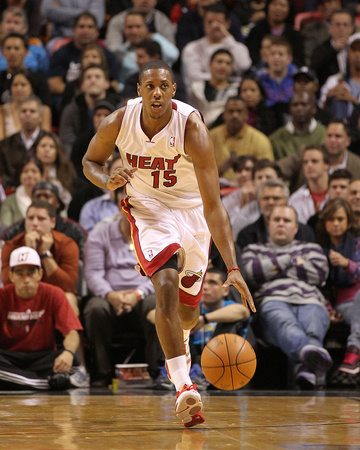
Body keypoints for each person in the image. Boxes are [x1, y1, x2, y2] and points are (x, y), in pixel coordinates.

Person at [82, 60, 255, 427]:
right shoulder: (118, 121)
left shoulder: (193, 128)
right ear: (139, 90)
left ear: (173, 90)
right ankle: (182, 385)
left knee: (188, 311)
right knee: (164, 284)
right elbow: (89, 162)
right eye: (150, 86)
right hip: (148, 208)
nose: (156, 92)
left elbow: (214, 205)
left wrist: (233, 266)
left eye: (163, 85)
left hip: (193, 212)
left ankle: (182, 339)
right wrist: (107, 178)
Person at [242, 205, 332, 389]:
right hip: (272, 301)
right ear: (269, 224)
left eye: (287, 220)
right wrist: (291, 260)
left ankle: (306, 370)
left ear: (296, 227)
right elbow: (252, 274)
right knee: (286, 322)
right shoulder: (253, 249)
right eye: (277, 220)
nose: (281, 224)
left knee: (313, 326)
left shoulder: (311, 248)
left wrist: (273, 269)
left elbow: (319, 274)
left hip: (310, 300)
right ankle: (307, 364)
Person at [83, 187, 162, 387]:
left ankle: (159, 372)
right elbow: (93, 273)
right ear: (120, 205)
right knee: (95, 308)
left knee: (157, 304)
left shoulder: (154, 235)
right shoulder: (100, 233)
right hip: (109, 296)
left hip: (143, 295)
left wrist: (138, 293)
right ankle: (101, 374)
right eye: (126, 201)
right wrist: (110, 295)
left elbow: (159, 273)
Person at [0, 246, 83, 390]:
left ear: (40, 273)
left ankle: (14, 382)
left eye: (31, 272)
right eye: (20, 273)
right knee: (67, 376)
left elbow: (72, 332)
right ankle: (44, 383)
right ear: (11, 275)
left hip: (43, 357)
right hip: (10, 357)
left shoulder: (54, 293)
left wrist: (68, 353)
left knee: (73, 360)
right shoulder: (2, 296)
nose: (26, 279)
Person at [1, 200, 80, 316]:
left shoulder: (66, 244)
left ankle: (71, 334)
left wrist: (45, 254)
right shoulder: (12, 245)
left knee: (69, 298)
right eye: (30, 218)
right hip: (21, 294)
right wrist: (28, 252)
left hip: (54, 296)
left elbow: (67, 285)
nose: (35, 223)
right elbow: (9, 283)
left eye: (41, 219)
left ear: (52, 222)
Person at [316, 198, 360, 380]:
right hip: (344, 304)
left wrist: (347, 264)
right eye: (331, 219)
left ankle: (354, 349)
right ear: (324, 222)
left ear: (348, 222)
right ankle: (353, 354)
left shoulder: (357, 244)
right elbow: (316, 285)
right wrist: (328, 309)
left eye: (340, 219)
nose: (335, 224)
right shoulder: (318, 249)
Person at [188, 267, 251, 389]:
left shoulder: (230, 307)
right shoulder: (192, 307)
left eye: (212, 283)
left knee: (230, 321)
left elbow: (243, 312)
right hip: (193, 357)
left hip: (224, 362)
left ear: (225, 291)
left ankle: (208, 374)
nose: (205, 287)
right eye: (202, 283)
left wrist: (205, 319)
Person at [2, 181, 87, 260]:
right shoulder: (13, 231)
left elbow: (80, 263)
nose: (42, 199)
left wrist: (45, 254)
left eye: (47, 196)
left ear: (58, 202)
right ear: (31, 200)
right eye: (37, 196)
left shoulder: (75, 231)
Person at [47, 12, 119, 98]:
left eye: (90, 27)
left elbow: (115, 84)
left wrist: (95, 91)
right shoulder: (61, 53)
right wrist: (81, 93)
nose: (85, 30)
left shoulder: (108, 55)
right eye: (81, 26)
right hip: (70, 98)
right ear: (74, 30)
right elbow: (53, 84)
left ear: (97, 32)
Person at [278, 119, 360, 193]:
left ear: (348, 141)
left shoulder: (357, 164)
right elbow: (278, 169)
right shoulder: (307, 154)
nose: (333, 140)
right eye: (329, 136)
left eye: (338, 136)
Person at [181, 3, 251, 87]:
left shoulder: (237, 47)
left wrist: (227, 37)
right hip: (201, 94)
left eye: (219, 22)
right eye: (210, 22)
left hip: (231, 93)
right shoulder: (192, 48)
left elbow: (244, 65)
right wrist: (221, 79)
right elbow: (193, 76)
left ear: (228, 24)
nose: (214, 26)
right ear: (204, 23)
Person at [59, 64, 118, 157]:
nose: (93, 80)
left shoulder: (118, 109)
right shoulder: (71, 110)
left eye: (97, 77)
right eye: (88, 77)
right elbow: (67, 142)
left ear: (107, 83)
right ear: (82, 85)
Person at [210, 96, 274, 183]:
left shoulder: (261, 140)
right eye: (231, 111)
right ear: (224, 115)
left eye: (239, 112)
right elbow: (198, 172)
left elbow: (267, 174)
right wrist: (220, 170)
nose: (235, 115)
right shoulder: (209, 138)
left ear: (247, 115)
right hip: (214, 190)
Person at [237, 178, 314, 249]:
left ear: (287, 201)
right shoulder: (247, 235)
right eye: (266, 198)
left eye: (276, 198)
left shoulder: (305, 232)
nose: (270, 202)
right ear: (259, 201)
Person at [115, 11, 179, 91]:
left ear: (146, 28)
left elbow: (173, 55)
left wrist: (154, 36)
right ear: (124, 30)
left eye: (138, 27)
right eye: (130, 27)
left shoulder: (157, 47)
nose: (134, 31)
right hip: (133, 91)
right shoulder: (120, 52)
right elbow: (121, 81)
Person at [0, 96, 46, 191]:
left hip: (44, 192)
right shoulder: (5, 145)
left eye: (32, 111)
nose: (27, 114)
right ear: (18, 115)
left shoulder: (51, 142)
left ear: (40, 117)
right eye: (24, 111)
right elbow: (3, 174)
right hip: (13, 194)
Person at [229, 159, 282, 238]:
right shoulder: (244, 215)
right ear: (253, 182)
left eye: (268, 177)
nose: (264, 181)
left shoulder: (292, 206)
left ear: (280, 181)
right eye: (259, 178)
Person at [188, 49, 240, 129]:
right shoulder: (196, 88)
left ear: (231, 68)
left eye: (228, 63)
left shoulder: (236, 90)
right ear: (210, 64)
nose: (223, 66)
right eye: (219, 61)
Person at [246, 0, 304, 68]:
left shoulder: (294, 35)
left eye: (283, 5)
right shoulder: (256, 31)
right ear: (268, 6)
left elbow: (299, 60)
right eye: (274, 4)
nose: (278, 8)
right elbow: (252, 56)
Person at [0, 33, 51, 106]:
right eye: (8, 48)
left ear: (26, 52)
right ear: (2, 52)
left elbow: (46, 109)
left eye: (17, 48)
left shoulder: (39, 80)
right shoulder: (1, 80)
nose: (12, 53)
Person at [0, 69, 52, 140]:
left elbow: (46, 139)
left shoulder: (44, 110)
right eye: (15, 85)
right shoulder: (2, 110)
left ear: (31, 88)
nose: (18, 88)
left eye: (23, 85)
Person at [319, 33, 360, 121]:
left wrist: (353, 101)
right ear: (348, 53)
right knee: (337, 97)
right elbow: (320, 110)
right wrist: (328, 98)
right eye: (354, 50)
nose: (357, 55)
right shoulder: (334, 81)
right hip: (336, 126)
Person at [105, 0, 176, 50]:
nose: (145, 1)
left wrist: (154, 37)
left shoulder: (162, 21)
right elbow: (113, 50)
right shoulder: (117, 21)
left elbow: (172, 53)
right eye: (130, 27)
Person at [310, 9, 354, 88]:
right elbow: (314, 68)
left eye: (345, 25)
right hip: (328, 90)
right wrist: (333, 50)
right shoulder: (321, 49)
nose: (341, 29)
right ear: (329, 28)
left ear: (351, 28)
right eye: (337, 25)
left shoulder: (357, 48)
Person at [34, 131, 77, 211]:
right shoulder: (29, 171)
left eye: (52, 147)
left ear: (57, 151)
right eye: (43, 146)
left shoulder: (66, 173)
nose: (47, 150)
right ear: (36, 150)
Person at [79, 156, 123, 232]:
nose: (123, 174)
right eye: (118, 170)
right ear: (108, 173)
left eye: (127, 170)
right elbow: (89, 240)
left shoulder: (143, 205)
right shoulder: (91, 208)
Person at [0, 6, 48, 74]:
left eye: (16, 23)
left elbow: (44, 74)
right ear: (1, 26)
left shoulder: (37, 50)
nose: (12, 26)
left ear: (25, 28)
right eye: (8, 22)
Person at [288, 145, 329, 224]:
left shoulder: (337, 193)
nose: (309, 165)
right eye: (305, 162)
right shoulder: (295, 199)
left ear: (326, 165)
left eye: (314, 161)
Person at [0, 155, 43, 227]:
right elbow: (5, 230)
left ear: (42, 175)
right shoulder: (9, 202)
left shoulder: (51, 198)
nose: (29, 175)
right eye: (25, 171)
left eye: (34, 171)